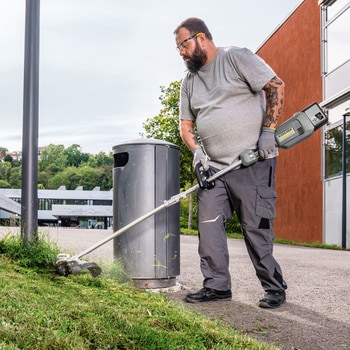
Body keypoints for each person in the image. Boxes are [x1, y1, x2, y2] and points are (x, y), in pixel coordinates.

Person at [174, 17, 287, 308]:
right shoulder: (189, 82)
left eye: (184, 45)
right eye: (178, 49)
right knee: (209, 225)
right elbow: (186, 125)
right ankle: (217, 286)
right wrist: (197, 153)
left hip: (253, 162)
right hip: (214, 168)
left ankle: (274, 287)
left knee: (255, 228)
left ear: (201, 38)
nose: (182, 53)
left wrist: (268, 132)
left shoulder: (235, 57)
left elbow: (275, 86)